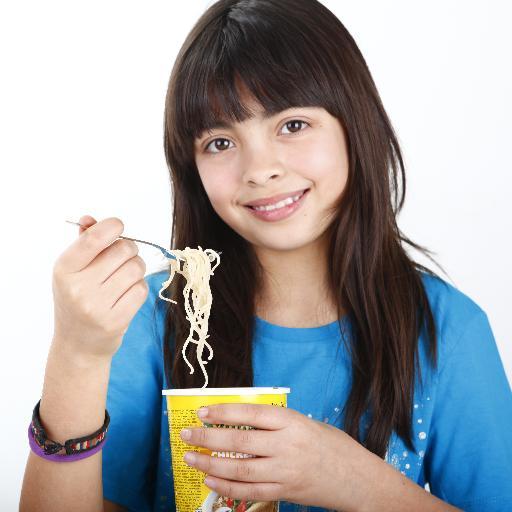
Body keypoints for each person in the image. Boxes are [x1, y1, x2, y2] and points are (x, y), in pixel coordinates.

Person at [20, 0, 512, 511]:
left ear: (354, 124)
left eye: (293, 125)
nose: (260, 168)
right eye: (219, 142)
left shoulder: (446, 331)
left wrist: (353, 479)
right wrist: (76, 355)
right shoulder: (151, 317)